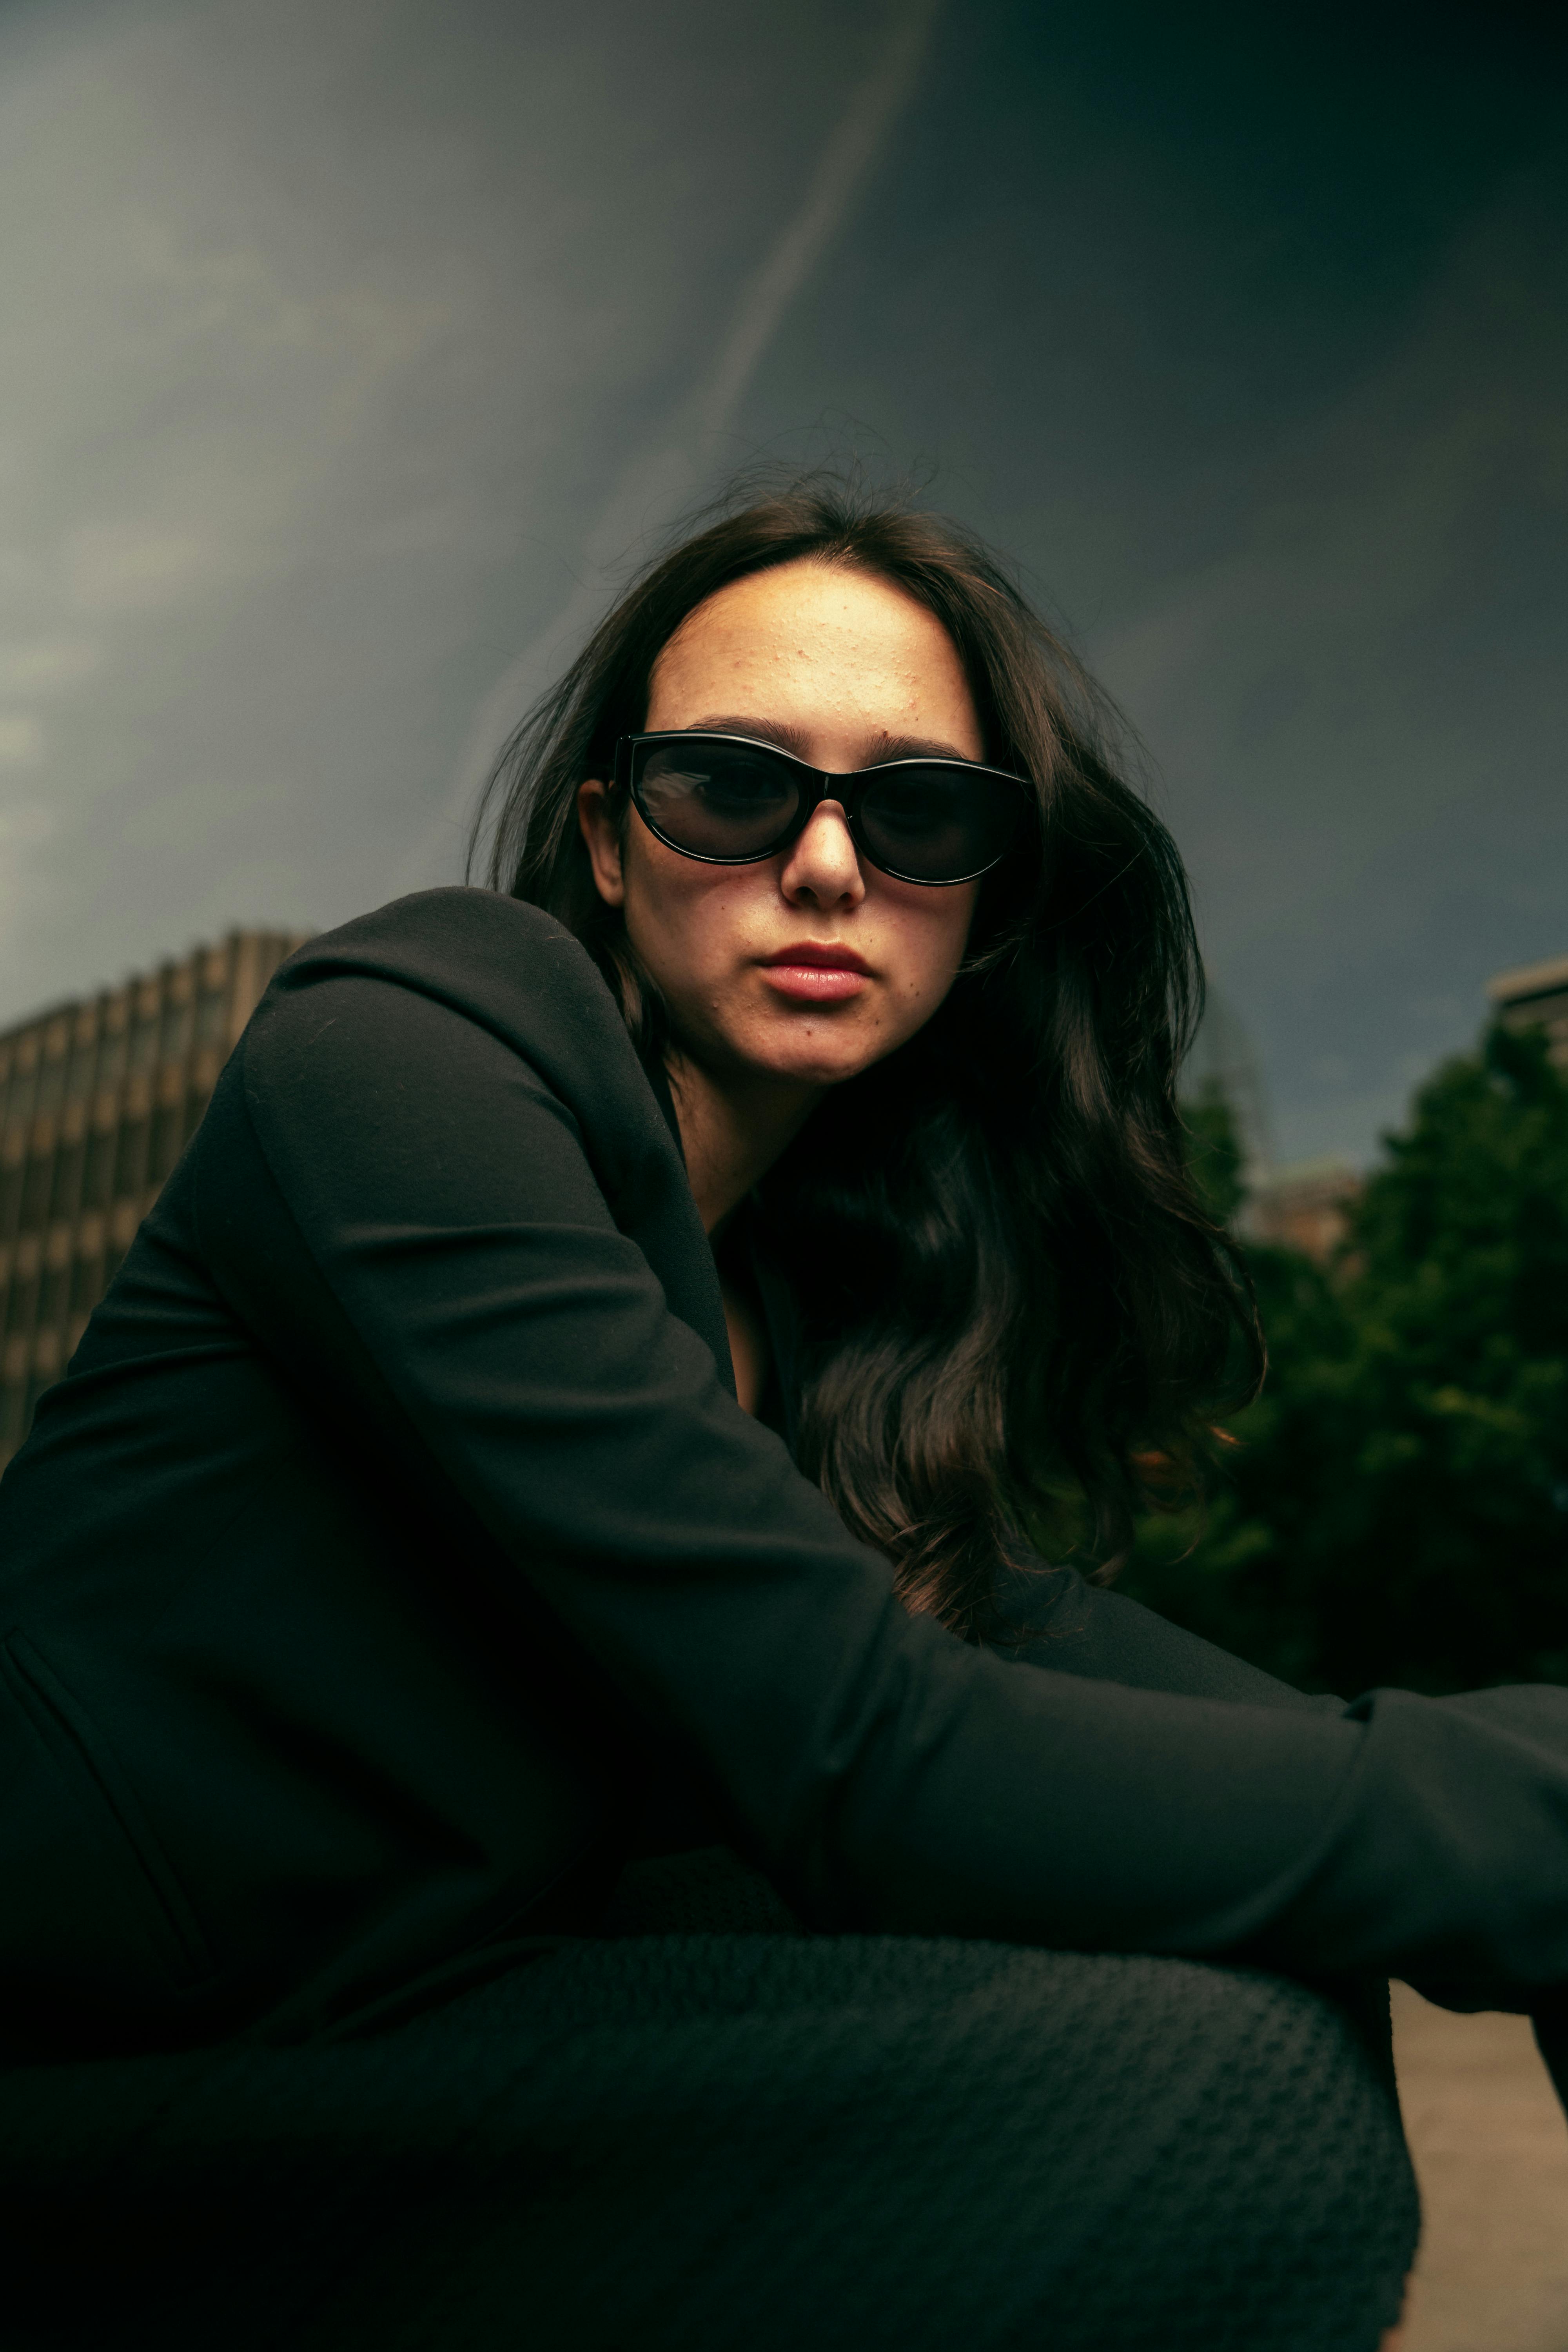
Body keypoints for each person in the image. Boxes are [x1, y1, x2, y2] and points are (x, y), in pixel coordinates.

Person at [0, 472, 1563, 2352]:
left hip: (411, 2058)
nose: (826, 866)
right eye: (733, 787)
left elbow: (1204, 1734)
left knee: (1281, 1972)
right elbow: (872, 1755)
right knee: (1207, 2094)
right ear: (605, 833)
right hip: (94, 2085)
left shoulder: (824, 1323)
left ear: (984, 897)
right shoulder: (411, 1049)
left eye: (916, 813)